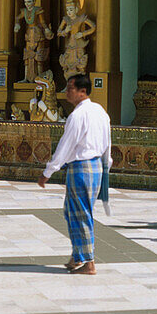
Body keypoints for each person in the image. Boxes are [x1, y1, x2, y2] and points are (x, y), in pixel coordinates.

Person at [39, 73, 112, 275]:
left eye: (71, 88)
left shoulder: (78, 115)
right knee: (71, 211)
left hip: (81, 168)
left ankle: (89, 262)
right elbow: (108, 144)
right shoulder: (100, 112)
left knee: (81, 214)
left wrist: (48, 171)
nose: (67, 91)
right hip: (96, 167)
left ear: (82, 91)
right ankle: (78, 255)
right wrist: (106, 167)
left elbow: (65, 146)